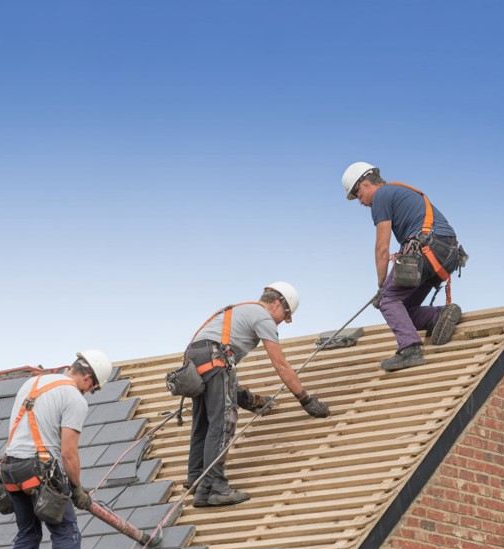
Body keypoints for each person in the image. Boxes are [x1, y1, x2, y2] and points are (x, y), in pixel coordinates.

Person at [183, 282, 331, 507]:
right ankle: (216, 487)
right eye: (285, 315)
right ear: (276, 304)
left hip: (195, 361)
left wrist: (244, 397)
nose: (282, 322)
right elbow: (280, 364)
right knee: (223, 422)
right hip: (214, 359)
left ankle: (197, 482)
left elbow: (221, 368)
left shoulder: (238, 310)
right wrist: (305, 399)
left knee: (203, 421)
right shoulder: (263, 317)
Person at [0, 350, 113, 549]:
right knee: (66, 534)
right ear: (87, 377)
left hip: (11, 469)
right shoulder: (73, 398)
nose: (90, 392)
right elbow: (69, 452)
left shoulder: (32, 384)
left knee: (27, 534)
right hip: (41, 471)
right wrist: (76, 488)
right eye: (93, 388)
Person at [341, 161, 466, 372]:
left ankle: (410, 349)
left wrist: (382, 287)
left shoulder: (381, 196)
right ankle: (438, 316)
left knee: (388, 300)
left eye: (357, 194)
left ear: (365, 183)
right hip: (447, 253)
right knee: (402, 309)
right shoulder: (399, 192)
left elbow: (382, 247)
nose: (360, 201)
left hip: (428, 249)